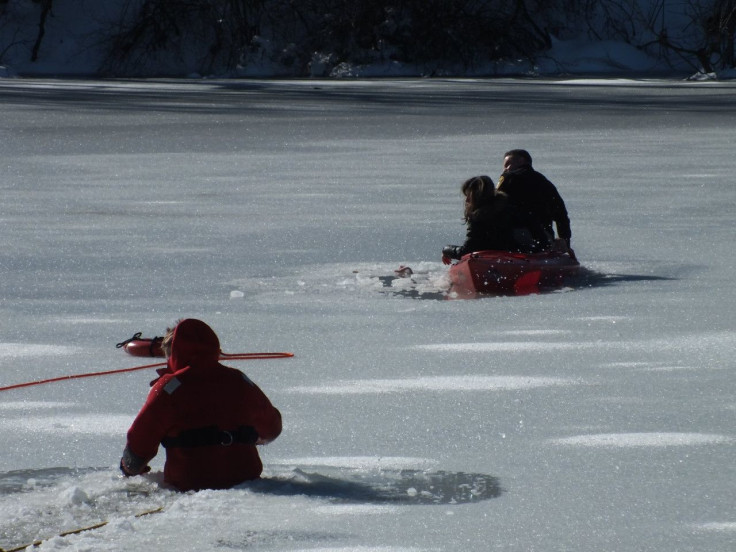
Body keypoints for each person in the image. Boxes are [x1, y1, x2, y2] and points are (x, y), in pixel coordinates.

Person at [120, 318, 282, 491]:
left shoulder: (170, 387)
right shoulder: (238, 380)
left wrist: (129, 467)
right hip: (246, 482)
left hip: (189, 485)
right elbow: (272, 428)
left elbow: (141, 439)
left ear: (173, 353)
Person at [442, 175, 550, 263]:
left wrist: (446, 250)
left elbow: (466, 251)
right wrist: (536, 251)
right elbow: (541, 237)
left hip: (493, 262)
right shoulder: (514, 210)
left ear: (475, 197)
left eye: (468, 197)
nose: (466, 201)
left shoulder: (478, 219)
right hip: (520, 257)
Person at [496, 149, 572, 250]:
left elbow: (493, 205)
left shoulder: (508, 178)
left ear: (521, 161)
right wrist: (565, 241)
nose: (505, 169)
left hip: (516, 235)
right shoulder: (546, 184)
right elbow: (561, 215)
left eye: (508, 164)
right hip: (544, 238)